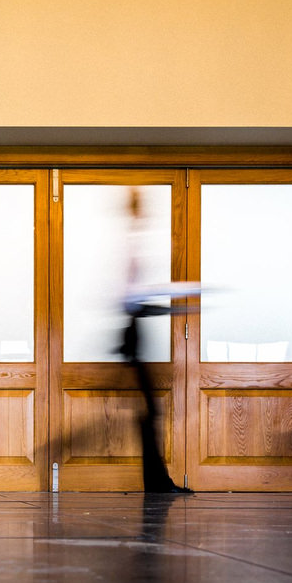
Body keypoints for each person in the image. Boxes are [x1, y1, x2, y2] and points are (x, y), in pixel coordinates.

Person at [120, 188, 192, 494]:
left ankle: (157, 481)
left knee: (150, 410)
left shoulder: (133, 241)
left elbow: (135, 296)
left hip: (134, 331)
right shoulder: (131, 243)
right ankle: (157, 482)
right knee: (150, 410)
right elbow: (130, 297)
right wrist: (174, 303)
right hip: (132, 331)